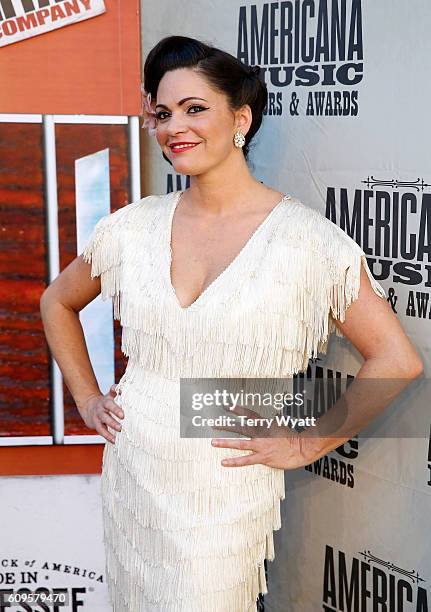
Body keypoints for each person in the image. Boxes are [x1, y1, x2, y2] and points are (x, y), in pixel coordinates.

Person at [40, 35, 423, 612]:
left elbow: (397, 359)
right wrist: (89, 398)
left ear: (240, 118)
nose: (176, 128)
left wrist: (306, 443)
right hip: (135, 463)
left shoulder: (305, 242)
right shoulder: (131, 227)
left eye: (196, 109)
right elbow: (56, 301)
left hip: (224, 475)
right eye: (163, 114)